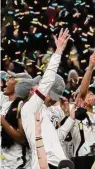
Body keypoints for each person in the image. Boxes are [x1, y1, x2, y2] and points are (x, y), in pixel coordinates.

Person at [21, 28, 72, 169]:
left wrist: (69, 115)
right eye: (39, 84)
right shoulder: (29, 108)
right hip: (44, 164)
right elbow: (48, 80)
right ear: (32, 91)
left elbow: (58, 133)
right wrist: (58, 52)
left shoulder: (44, 110)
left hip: (60, 164)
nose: (46, 89)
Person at [1, 76, 40, 169]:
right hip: (4, 160)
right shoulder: (5, 104)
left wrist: (2, 121)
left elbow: (21, 138)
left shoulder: (22, 106)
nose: (6, 81)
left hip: (18, 162)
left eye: (10, 79)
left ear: (17, 86)